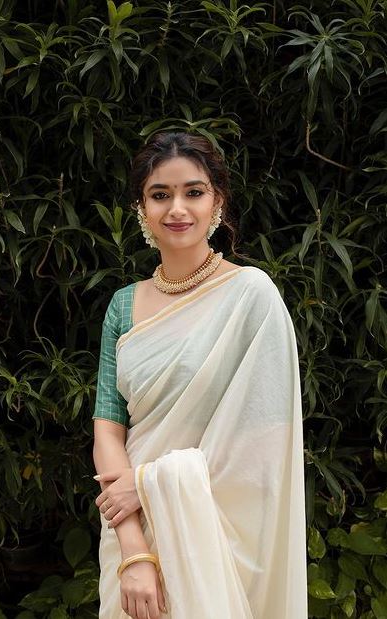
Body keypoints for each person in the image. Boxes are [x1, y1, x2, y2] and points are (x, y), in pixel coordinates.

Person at [92, 132, 307, 619]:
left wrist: (147, 481)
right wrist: (134, 552)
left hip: (221, 531)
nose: (177, 209)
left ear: (218, 202)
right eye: (160, 195)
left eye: (194, 191)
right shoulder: (123, 306)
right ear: (140, 208)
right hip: (131, 525)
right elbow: (108, 426)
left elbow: (264, 441)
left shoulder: (251, 296)